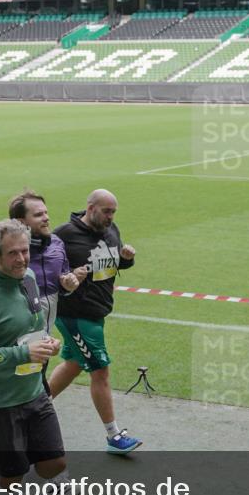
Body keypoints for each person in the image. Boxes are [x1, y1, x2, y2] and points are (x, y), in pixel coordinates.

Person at [0, 191, 85, 471]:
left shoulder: (38, 267)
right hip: (2, 384)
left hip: (34, 368)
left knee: (50, 454)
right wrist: (19, 346)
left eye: (25, 252)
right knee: (13, 474)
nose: (22, 259)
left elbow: (40, 307)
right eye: (13, 253)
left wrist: (47, 338)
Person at [45, 189, 141, 454]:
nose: (110, 217)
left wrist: (126, 260)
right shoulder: (63, 234)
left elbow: (110, 267)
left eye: (114, 212)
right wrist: (68, 277)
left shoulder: (112, 231)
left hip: (97, 312)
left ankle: (32, 409)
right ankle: (114, 435)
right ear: (90, 208)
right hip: (75, 314)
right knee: (100, 371)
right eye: (106, 211)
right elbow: (46, 268)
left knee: (74, 364)